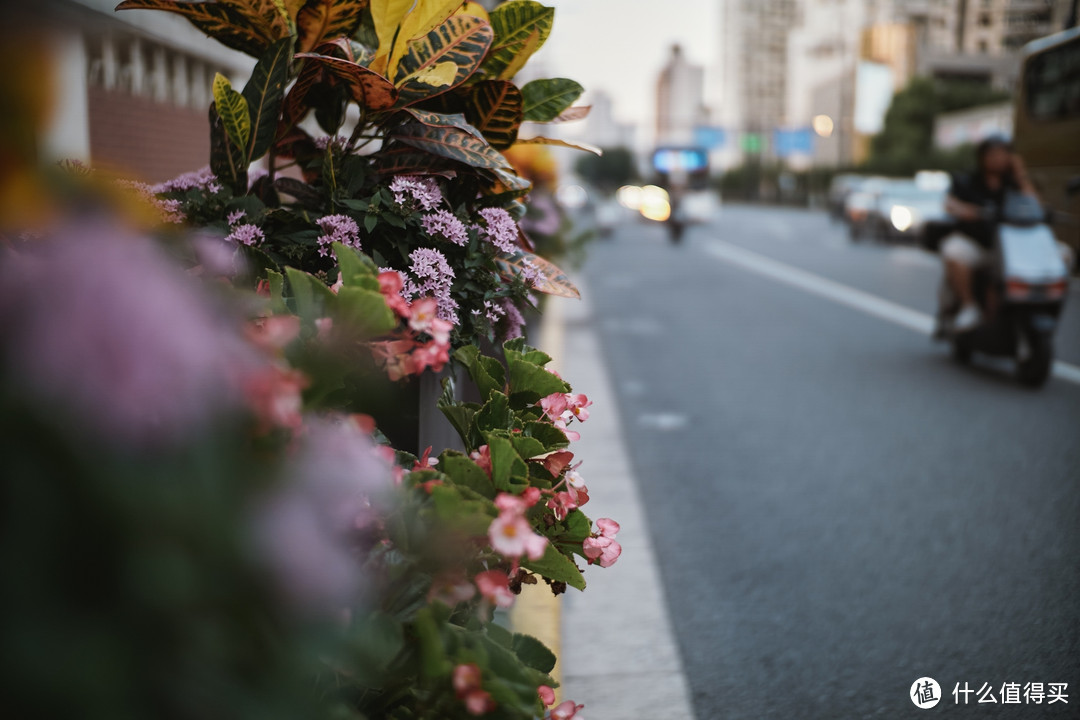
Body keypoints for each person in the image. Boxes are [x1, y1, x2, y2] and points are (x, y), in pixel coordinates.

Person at [940, 136, 1074, 331]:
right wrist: (967, 210)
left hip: (1015, 249)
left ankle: (1043, 307)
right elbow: (950, 204)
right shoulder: (967, 180)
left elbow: (1035, 205)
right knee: (953, 250)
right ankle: (969, 306)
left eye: (1003, 154)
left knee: (1063, 254)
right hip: (981, 245)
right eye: (993, 154)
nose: (998, 159)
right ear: (982, 157)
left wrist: (1020, 173)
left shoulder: (1015, 183)